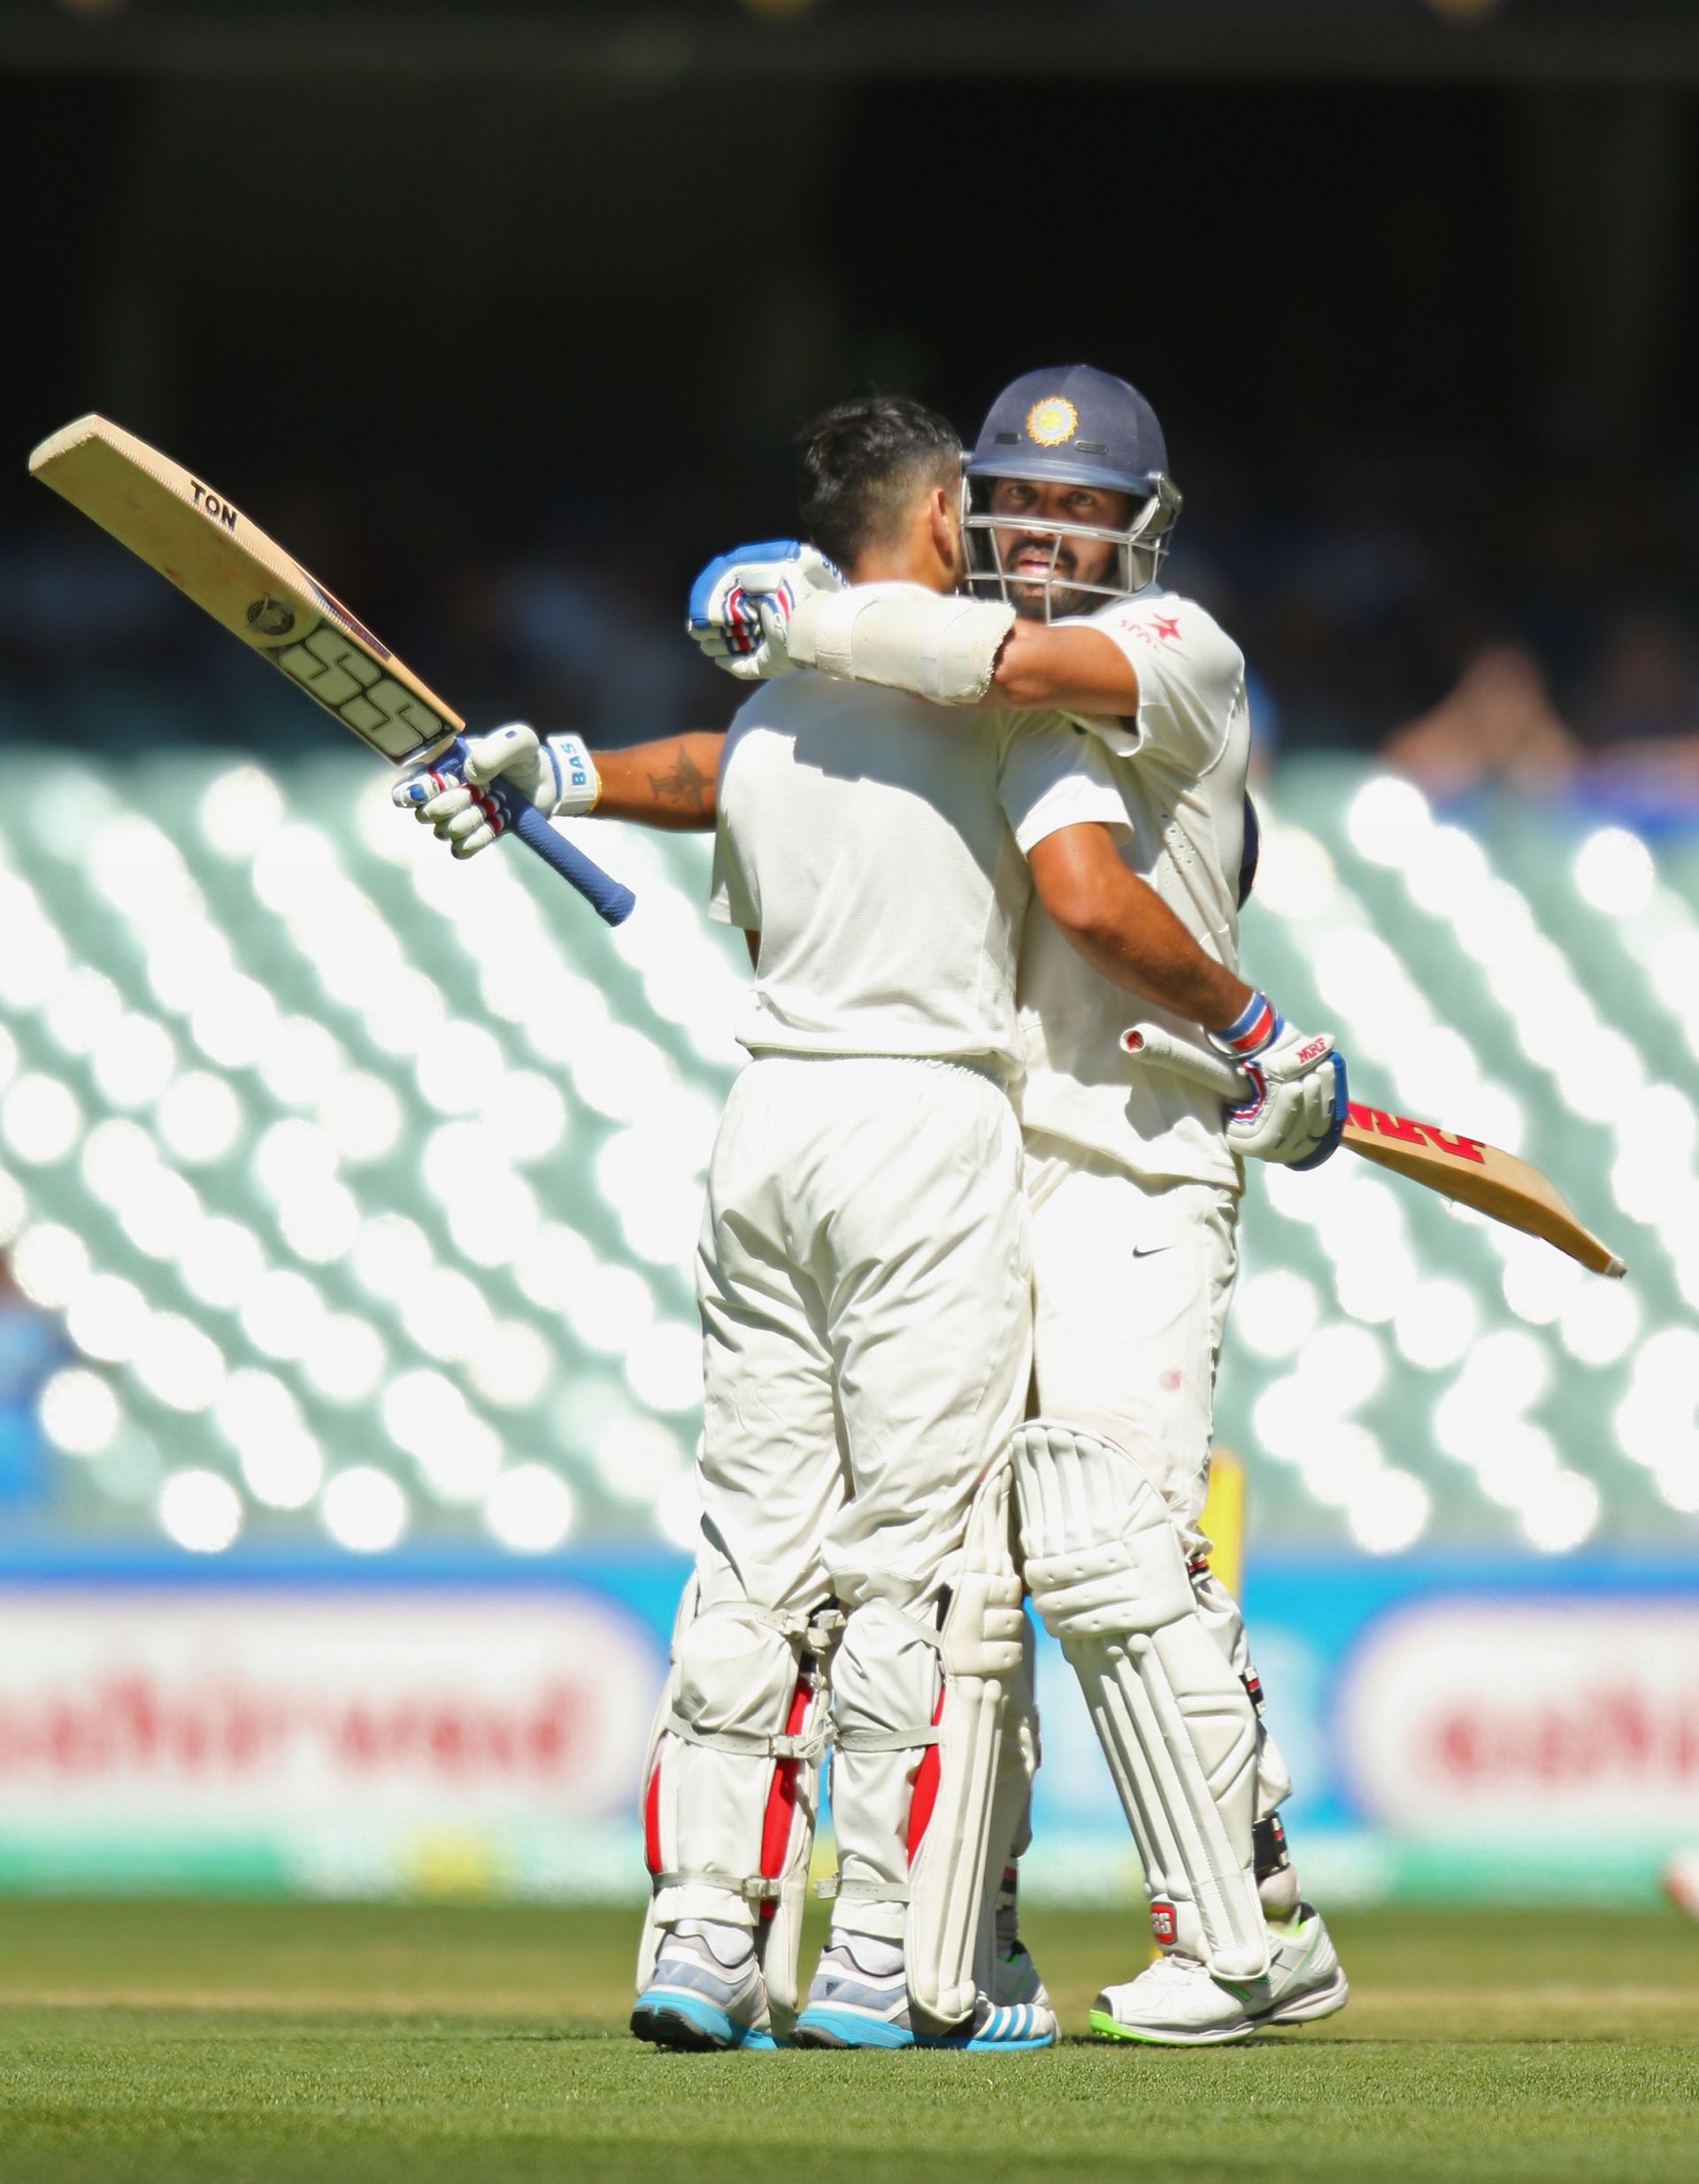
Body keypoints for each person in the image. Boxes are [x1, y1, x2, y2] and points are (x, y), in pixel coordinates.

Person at [404, 372, 1349, 2047]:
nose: (1048, 538)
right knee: (967, 1580)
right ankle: (934, 1956)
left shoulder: (1166, 648)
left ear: (1143, 529)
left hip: (1129, 1154)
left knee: (1111, 1548)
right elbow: (748, 756)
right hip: (982, 1141)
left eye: (1082, 512)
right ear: (962, 511)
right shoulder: (874, 668)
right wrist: (571, 762)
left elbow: (1015, 709)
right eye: (1019, 506)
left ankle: (1249, 1927)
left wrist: (1256, 1031)